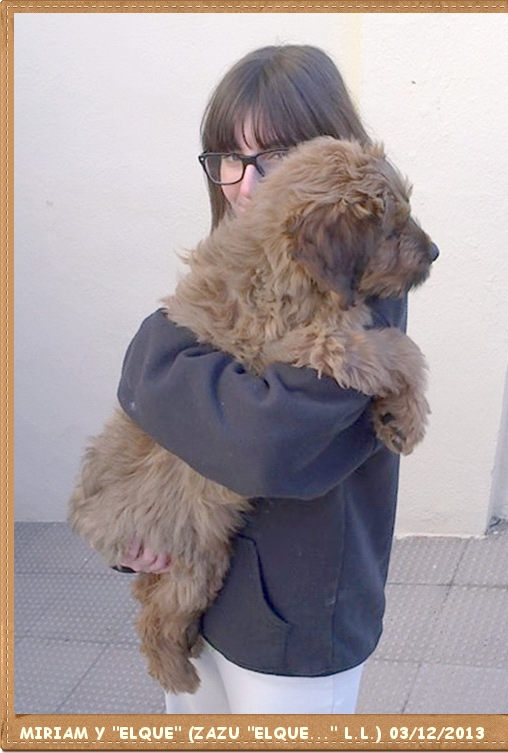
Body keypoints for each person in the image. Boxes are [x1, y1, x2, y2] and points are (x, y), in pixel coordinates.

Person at [116, 45, 412, 714]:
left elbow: (260, 441)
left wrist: (155, 356)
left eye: (274, 156)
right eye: (229, 157)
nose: (246, 184)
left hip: (296, 621)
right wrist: (141, 523)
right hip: (199, 592)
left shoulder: (359, 273)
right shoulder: (249, 253)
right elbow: (157, 414)